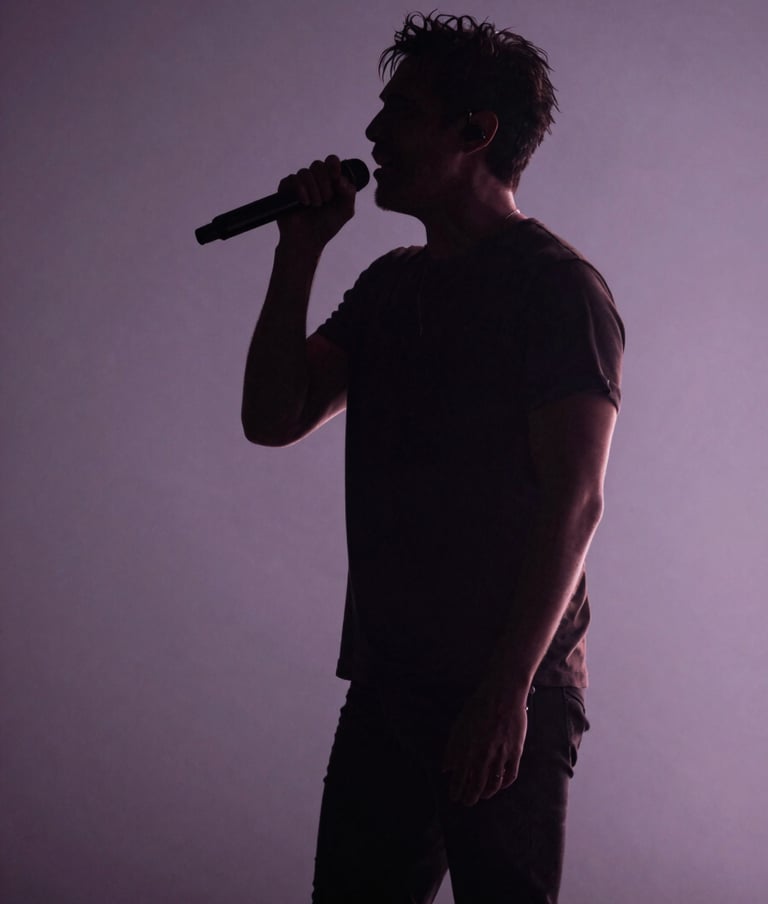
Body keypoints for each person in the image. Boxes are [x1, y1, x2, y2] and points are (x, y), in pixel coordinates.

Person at [241, 12, 624, 904]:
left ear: (474, 133)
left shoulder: (556, 285)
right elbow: (272, 418)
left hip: (504, 689)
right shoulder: (387, 287)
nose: (372, 133)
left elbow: (576, 501)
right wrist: (298, 253)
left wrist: (506, 694)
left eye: (400, 111)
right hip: (388, 689)